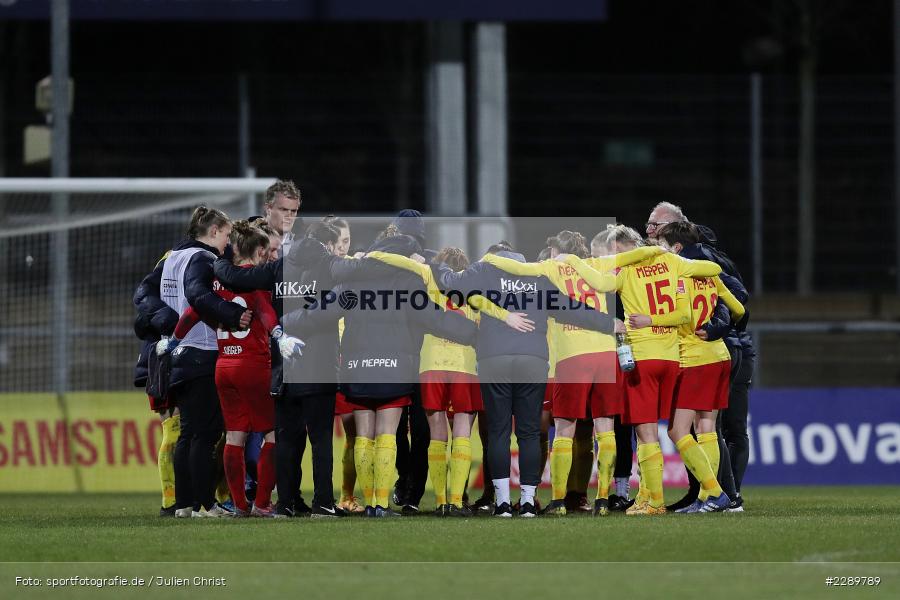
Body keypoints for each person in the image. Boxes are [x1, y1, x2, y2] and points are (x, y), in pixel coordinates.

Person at [370, 241, 616, 517]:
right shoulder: (536, 275)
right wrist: (609, 323)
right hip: (532, 360)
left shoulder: (484, 270)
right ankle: (526, 501)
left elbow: (449, 281)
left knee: (498, 432)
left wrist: (431, 262)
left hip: (492, 358)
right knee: (529, 433)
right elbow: (570, 308)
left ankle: (500, 502)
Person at [282, 233, 479, 517]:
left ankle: (371, 501)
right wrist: (475, 334)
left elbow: (317, 315)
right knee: (387, 434)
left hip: (357, 368)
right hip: (395, 369)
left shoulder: (350, 281)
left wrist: (281, 323)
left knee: (364, 436)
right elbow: (436, 319)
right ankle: (380, 504)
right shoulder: (408, 283)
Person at [480, 233, 663, 516]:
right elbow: (633, 256)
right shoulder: (600, 264)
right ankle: (601, 498)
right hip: (605, 353)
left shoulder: (550, 268)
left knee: (562, 430)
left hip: (569, 355)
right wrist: (661, 252)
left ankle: (558, 500)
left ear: (555, 250)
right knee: (603, 430)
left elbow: (518, 269)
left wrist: (488, 258)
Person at [563, 238, 722, 516]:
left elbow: (598, 284)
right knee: (673, 430)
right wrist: (668, 257)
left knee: (646, 433)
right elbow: (712, 268)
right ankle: (656, 496)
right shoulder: (672, 263)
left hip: (642, 358)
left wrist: (574, 261)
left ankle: (660, 501)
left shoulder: (625, 273)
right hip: (672, 358)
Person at [160, 220, 304, 517]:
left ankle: (240, 505)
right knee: (272, 436)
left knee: (235, 436)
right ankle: (262, 503)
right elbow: (264, 312)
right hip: (253, 366)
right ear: (261, 251)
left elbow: (192, 311)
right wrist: (280, 335)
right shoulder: (252, 280)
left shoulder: (216, 281)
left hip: (223, 366)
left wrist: (173, 341)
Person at [215, 220, 346, 518]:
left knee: (285, 438)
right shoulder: (330, 267)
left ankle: (284, 503)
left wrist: (220, 259)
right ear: (327, 245)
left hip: (284, 368)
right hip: (320, 367)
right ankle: (322, 502)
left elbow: (235, 276)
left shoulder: (278, 268)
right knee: (321, 439)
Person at [137, 206, 251, 518]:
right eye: (226, 235)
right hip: (201, 351)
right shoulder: (203, 259)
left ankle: (184, 504)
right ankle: (205, 503)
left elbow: (148, 294)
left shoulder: (173, 256)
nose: (228, 242)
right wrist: (232, 314)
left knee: (187, 434)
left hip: (178, 355)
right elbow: (198, 295)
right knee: (205, 434)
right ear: (214, 231)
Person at [645, 202, 756, 512]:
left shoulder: (687, 266)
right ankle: (714, 497)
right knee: (706, 428)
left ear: (676, 242)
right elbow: (738, 306)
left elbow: (685, 312)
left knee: (694, 430)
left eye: (657, 231)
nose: (651, 237)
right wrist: (722, 324)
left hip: (703, 355)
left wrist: (716, 327)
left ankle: (719, 495)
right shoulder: (704, 268)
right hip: (717, 354)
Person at [322, 216, 365, 514]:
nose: (341, 248)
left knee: (354, 435)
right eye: (336, 242)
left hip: (349, 362)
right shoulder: (316, 271)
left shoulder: (356, 270)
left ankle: (346, 496)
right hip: (319, 360)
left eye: (346, 241)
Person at [133, 250, 180, 516]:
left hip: (180, 355)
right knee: (173, 431)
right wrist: (168, 322)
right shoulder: (173, 259)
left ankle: (190, 498)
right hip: (160, 358)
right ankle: (169, 501)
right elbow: (143, 302)